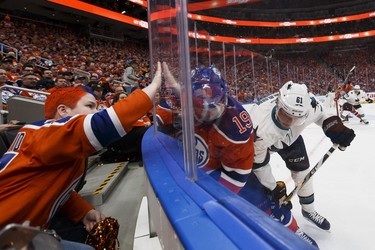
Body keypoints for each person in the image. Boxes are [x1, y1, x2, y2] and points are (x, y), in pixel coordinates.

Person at [0, 62, 162, 246]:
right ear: (63, 111)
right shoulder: (47, 132)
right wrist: (154, 85)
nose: (95, 112)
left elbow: (56, 188)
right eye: (90, 106)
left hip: (18, 232)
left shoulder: (48, 137)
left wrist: (83, 211)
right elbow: (103, 124)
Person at [243, 81, 355, 232]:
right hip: (264, 144)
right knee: (261, 186)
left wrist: (332, 126)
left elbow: (322, 114)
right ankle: (276, 215)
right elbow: (259, 165)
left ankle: (308, 210)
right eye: (285, 116)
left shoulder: (310, 105)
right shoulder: (259, 126)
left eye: (296, 118)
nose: (289, 122)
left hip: (291, 139)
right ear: (278, 103)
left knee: (303, 174)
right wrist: (273, 188)